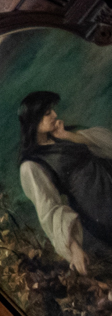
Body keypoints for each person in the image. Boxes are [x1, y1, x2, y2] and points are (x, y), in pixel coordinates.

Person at [17, 91, 112, 275]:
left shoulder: (62, 135)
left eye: (52, 110)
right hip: (99, 212)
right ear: (33, 121)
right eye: (47, 113)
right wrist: (74, 248)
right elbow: (50, 211)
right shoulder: (31, 165)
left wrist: (67, 135)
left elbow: (106, 143)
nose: (55, 115)